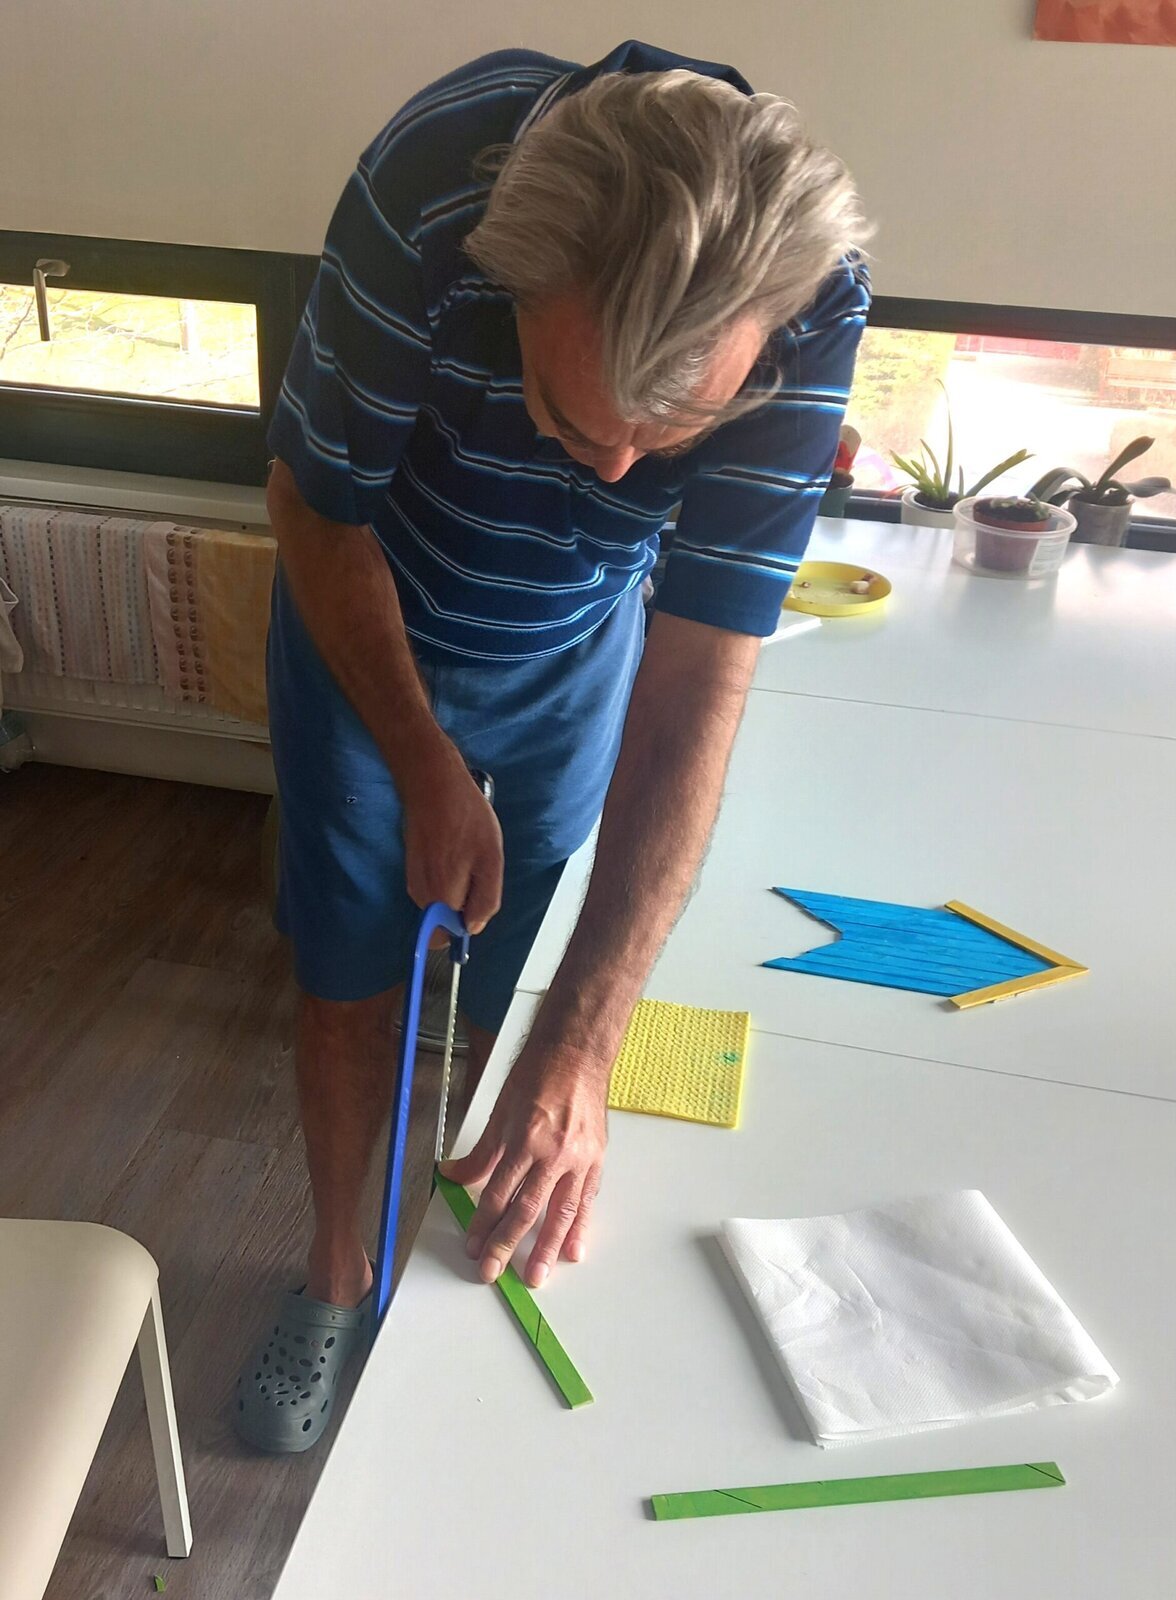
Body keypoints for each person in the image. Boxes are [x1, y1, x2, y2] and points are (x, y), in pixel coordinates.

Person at [236, 39, 870, 1452]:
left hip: (578, 643)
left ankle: (457, 1239)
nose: (619, 471)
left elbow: (700, 670)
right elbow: (311, 505)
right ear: (507, 281)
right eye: (576, 422)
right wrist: (419, 759)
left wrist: (585, 1046)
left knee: (532, 986)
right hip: (369, 602)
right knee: (350, 971)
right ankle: (334, 1274)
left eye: (671, 436)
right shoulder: (433, 187)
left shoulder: (814, 298)